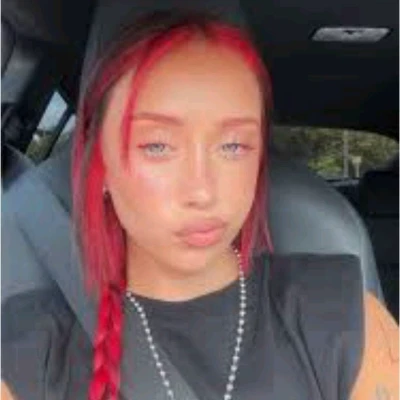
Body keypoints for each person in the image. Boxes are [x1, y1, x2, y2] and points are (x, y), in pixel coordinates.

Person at [2, 9, 398, 400]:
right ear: (100, 164)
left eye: (234, 146)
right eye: (157, 146)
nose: (203, 191)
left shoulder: (342, 316)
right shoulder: (32, 354)